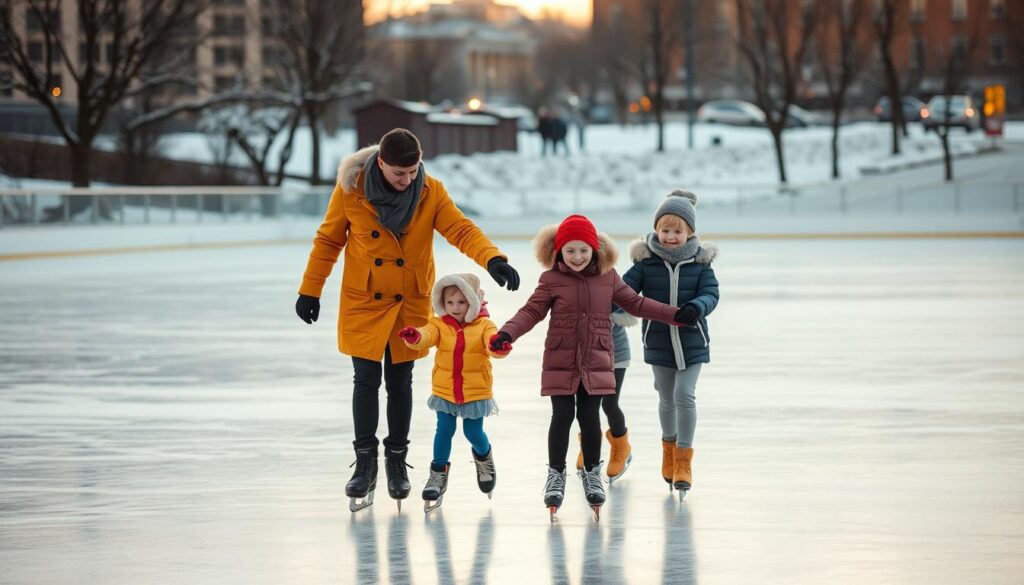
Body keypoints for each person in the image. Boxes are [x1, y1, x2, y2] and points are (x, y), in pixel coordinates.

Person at [294, 128, 520, 513]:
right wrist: (310, 289)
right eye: (401, 174)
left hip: (408, 301)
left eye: (414, 171)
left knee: (400, 381)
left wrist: (492, 258)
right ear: (380, 164)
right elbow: (328, 240)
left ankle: (396, 459)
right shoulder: (351, 190)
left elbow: (460, 229)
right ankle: (365, 463)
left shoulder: (430, 191)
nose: (409, 180)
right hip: (364, 300)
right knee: (365, 380)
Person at [488, 214, 690, 521]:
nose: (577, 257)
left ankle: (592, 473)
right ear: (559, 252)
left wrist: (676, 314)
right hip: (561, 359)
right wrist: (506, 333)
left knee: (589, 416)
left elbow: (636, 304)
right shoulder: (551, 280)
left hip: (596, 358)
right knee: (562, 415)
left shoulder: (608, 277)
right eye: (570, 251)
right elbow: (531, 311)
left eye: (583, 250)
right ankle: (556, 474)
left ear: (595, 250)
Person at [622, 190, 719, 500]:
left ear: (689, 232)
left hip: (692, 341)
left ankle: (684, 459)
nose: (671, 236)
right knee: (666, 398)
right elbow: (622, 291)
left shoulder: (701, 264)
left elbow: (711, 293)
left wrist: (699, 306)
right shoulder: (646, 263)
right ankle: (668, 448)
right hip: (658, 341)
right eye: (665, 230)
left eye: (678, 231)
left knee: (684, 395)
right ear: (656, 230)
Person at [397, 273, 507, 513]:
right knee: (444, 430)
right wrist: (415, 337)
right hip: (446, 390)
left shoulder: (484, 325)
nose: (455, 308)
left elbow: (492, 344)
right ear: (442, 303)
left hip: (475, 391)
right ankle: (438, 474)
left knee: (473, 432)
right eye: (450, 303)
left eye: (461, 302)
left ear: (472, 302)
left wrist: (498, 345)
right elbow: (427, 335)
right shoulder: (440, 324)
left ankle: (484, 459)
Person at [574, 305, 636, 484]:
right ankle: (588, 445)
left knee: (609, 404)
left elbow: (630, 311)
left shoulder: (612, 282)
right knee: (586, 405)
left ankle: (621, 447)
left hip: (616, 354)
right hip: (588, 355)